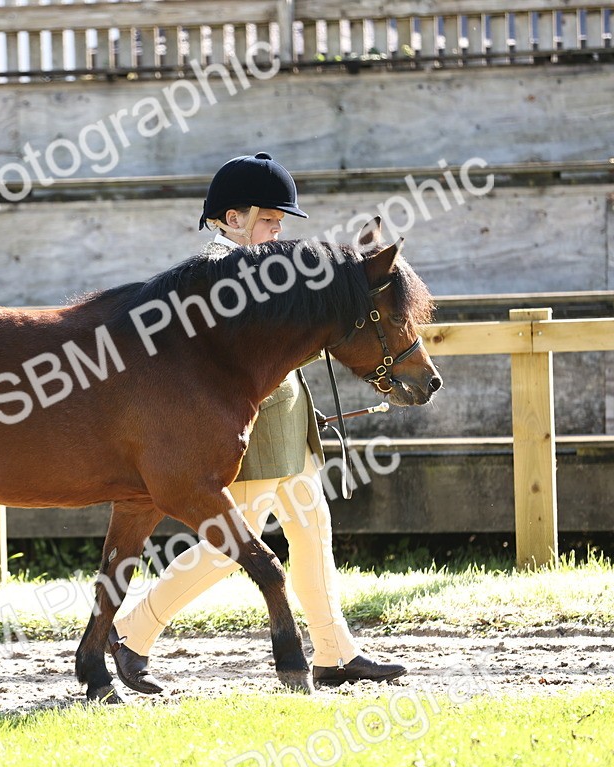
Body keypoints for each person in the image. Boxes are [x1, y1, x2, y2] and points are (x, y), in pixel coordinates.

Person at [107, 153, 407, 691]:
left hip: (290, 422)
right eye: (267, 219)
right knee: (229, 550)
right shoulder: (217, 277)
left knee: (313, 533)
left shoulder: (264, 273)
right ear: (230, 219)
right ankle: (132, 630)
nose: (277, 230)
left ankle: (336, 652)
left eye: (279, 221)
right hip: (255, 431)